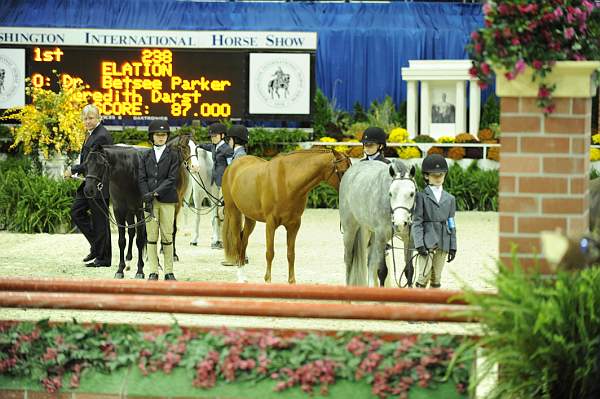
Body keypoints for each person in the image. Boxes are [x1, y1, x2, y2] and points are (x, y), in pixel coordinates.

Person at [64, 104, 113, 267]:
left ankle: (104, 258)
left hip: (99, 184)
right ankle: (97, 247)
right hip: (89, 183)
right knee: (77, 212)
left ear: (99, 118)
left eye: (91, 118)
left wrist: (73, 169)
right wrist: (77, 171)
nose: (87, 121)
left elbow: (92, 162)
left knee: (101, 221)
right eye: (85, 118)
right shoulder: (91, 133)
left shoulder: (101, 136)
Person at [138, 120, 180, 281]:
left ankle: (169, 271)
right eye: (158, 135)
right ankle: (153, 271)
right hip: (149, 201)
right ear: (152, 137)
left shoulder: (173, 155)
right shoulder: (145, 155)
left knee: (167, 235)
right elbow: (141, 178)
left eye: (163, 135)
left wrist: (154, 193)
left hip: (167, 200)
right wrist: (146, 195)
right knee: (151, 236)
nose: (161, 137)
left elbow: (172, 179)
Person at [411, 153, 457, 288]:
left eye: (441, 175)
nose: (438, 178)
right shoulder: (421, 196)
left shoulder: (450, 199)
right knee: (423, 275)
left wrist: (453, 245)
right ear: (426, 176)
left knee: (437, 276)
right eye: (434, 175)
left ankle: (432, 305)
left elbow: (451, 222)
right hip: (427, 241)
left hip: (443, 241)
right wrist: (419, 244)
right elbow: (417, 222)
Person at [197, 122, 233, 249]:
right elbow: (207, 146)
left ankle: (224, 240)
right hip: (214, 183)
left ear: (222, 136)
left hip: (224, 183)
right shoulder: (214, 146)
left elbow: (231, 167)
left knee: (222, 212)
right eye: (211, 136)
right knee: (216, 212)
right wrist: (197, 145)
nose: (212, 138)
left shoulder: (227, 150)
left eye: (215, 136)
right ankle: (218, 237)